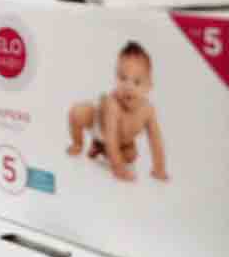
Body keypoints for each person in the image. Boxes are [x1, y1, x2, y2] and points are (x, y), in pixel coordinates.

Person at [66, 41, 169, 183]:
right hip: (99, 123)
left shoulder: (148, 111)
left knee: (130, 157)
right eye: (122, 78)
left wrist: (159, 167)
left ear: (149, 86)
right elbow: (111, 137)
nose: (128, 86)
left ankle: (99, 147)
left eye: (137, 82)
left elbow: (155, 139)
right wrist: (118, 168)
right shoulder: (113, 105)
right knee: (76, 112)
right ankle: (78, 143)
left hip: (121, 141)